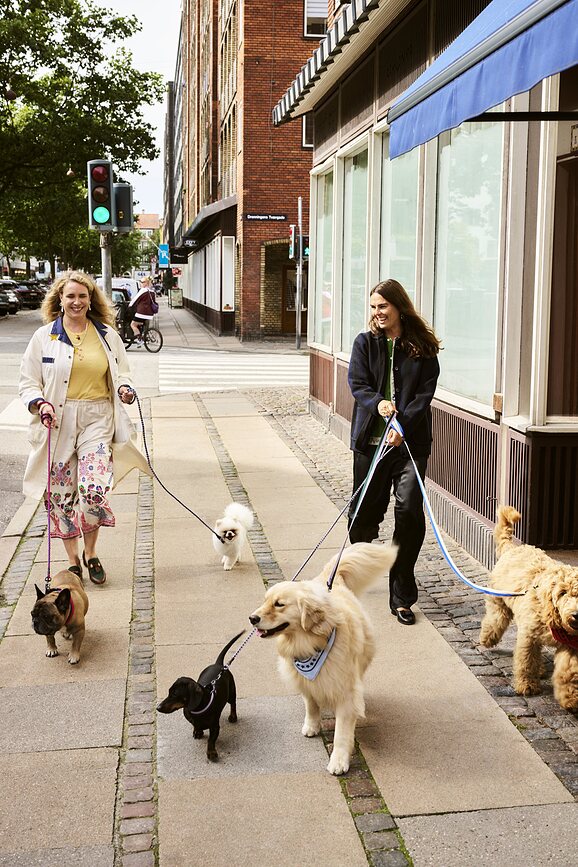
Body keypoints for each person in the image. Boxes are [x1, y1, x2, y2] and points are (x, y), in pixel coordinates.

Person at [19, 270, 151, 585]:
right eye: (70, 296)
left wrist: (124, 388)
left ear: (90, 299)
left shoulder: (107, 334)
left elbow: (123, 373)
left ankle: (92, 554)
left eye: (82, 295)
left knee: (93, 491)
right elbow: (27, 382)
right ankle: (73, 560)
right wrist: (40, 403)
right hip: (59, 422)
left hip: (97, 418)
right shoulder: (44, 337)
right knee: (62, 497)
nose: (76, 301)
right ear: (60, 300)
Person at [347, 279, 441, 626]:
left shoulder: (423, 348)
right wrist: (379, 404)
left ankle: (401, 594)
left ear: (399, 307)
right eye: (373, 307)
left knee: (410, 513)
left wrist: (403, 426)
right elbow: (357, 384)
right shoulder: (365, 343)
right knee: (362, 518)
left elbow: (423, 397)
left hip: (410, 447)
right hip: (371, 445)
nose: (377, 313)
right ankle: (359, 568)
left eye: (383, 306)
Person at [128, 276, 157, 344]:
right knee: (140, 323)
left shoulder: (143, 290)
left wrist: (129, 306)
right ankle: (142, 334)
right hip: (149, 314)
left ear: (146, 283)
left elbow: (135, 299)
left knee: (133, 325)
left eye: (142, 282)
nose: (140, 283)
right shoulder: (152, 292)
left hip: (141, 313)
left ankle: (139, 340)